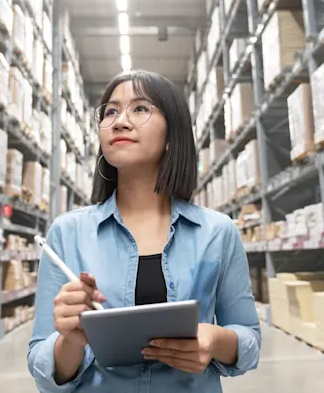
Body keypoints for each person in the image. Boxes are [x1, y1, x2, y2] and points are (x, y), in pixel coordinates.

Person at [28, 70, 261, 392]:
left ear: (171, 135)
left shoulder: (217, 232)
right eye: (110, 111)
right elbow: (42, 364)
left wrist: (215, 340)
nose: (120, 121)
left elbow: (249, 338)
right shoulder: (67, 233)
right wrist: (71, 339)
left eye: (140, 109)